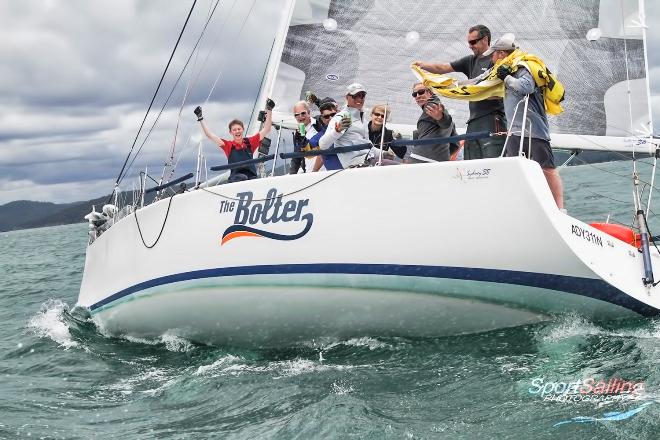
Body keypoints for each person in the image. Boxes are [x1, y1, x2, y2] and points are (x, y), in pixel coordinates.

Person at [486, 34, 564, 209]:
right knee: (514, 168)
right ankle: (522, 207)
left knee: (547, 169)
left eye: (494, 54)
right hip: (515, 131)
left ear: (501, 54)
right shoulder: (505, 69)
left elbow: (526, 87)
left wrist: (506, 78)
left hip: (533, 130)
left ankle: (559, 209)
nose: (492, 57)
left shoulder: (522, 67)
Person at [413, 24, 506, 160]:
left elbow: (502, 90)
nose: (470, 46)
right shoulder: (470, 60)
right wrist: (421, 65)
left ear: (485, 39)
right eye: (468, 42)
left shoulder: (498, 59)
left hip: (492, 119)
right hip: (473, 121)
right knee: (471, 164)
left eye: (473, 42)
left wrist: (475, 92)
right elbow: (443, 67)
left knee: (492, 163)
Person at [194, 99, 274, 183]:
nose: (237, 131)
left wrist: (269, 110)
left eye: (239, 129)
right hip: (236, 179)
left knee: (256, 180)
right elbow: (209, 135)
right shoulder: (228, 145)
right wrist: (200, 118)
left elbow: (267, 129)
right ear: (230, 132)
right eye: (234, 130)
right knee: (242, 177)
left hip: (252, 179)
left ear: (243, 129)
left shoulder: (250, 142)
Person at [318, 83, 372, 169]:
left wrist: (383, 153)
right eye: (355, 96)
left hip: (368, 161)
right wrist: (337, 131)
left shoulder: (364, 120)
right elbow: (322, 145)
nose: (359, 98)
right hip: (355, 166)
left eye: (362, 95)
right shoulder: (341, 117)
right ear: (347, 97)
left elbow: (368, 146)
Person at [408, 83, 456, 163]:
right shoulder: (440, 109)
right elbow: (456, 144)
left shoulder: (432, 106)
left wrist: (440, 117)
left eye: (421, 92)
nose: (417, 96)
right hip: (439, 160)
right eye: (414, 94)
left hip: (421, 158)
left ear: (430, 93)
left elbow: (445, 122)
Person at [308, 97, 338, 171]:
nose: (331, 118)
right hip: (332, 175)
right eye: (327, 116)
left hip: (353, 171)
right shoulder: (320, 135)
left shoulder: (350, 125)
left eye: (333, 115)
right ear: (322, 118)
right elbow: (308, 149)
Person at [289, 101, 317, 174]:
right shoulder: (298, 135)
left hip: (325, 172)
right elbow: (296, 157)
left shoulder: (319, 123)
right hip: (308, 173)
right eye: (297, 115)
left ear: (309, 113)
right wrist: (291, 175)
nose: (300, 117)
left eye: (303, 113)